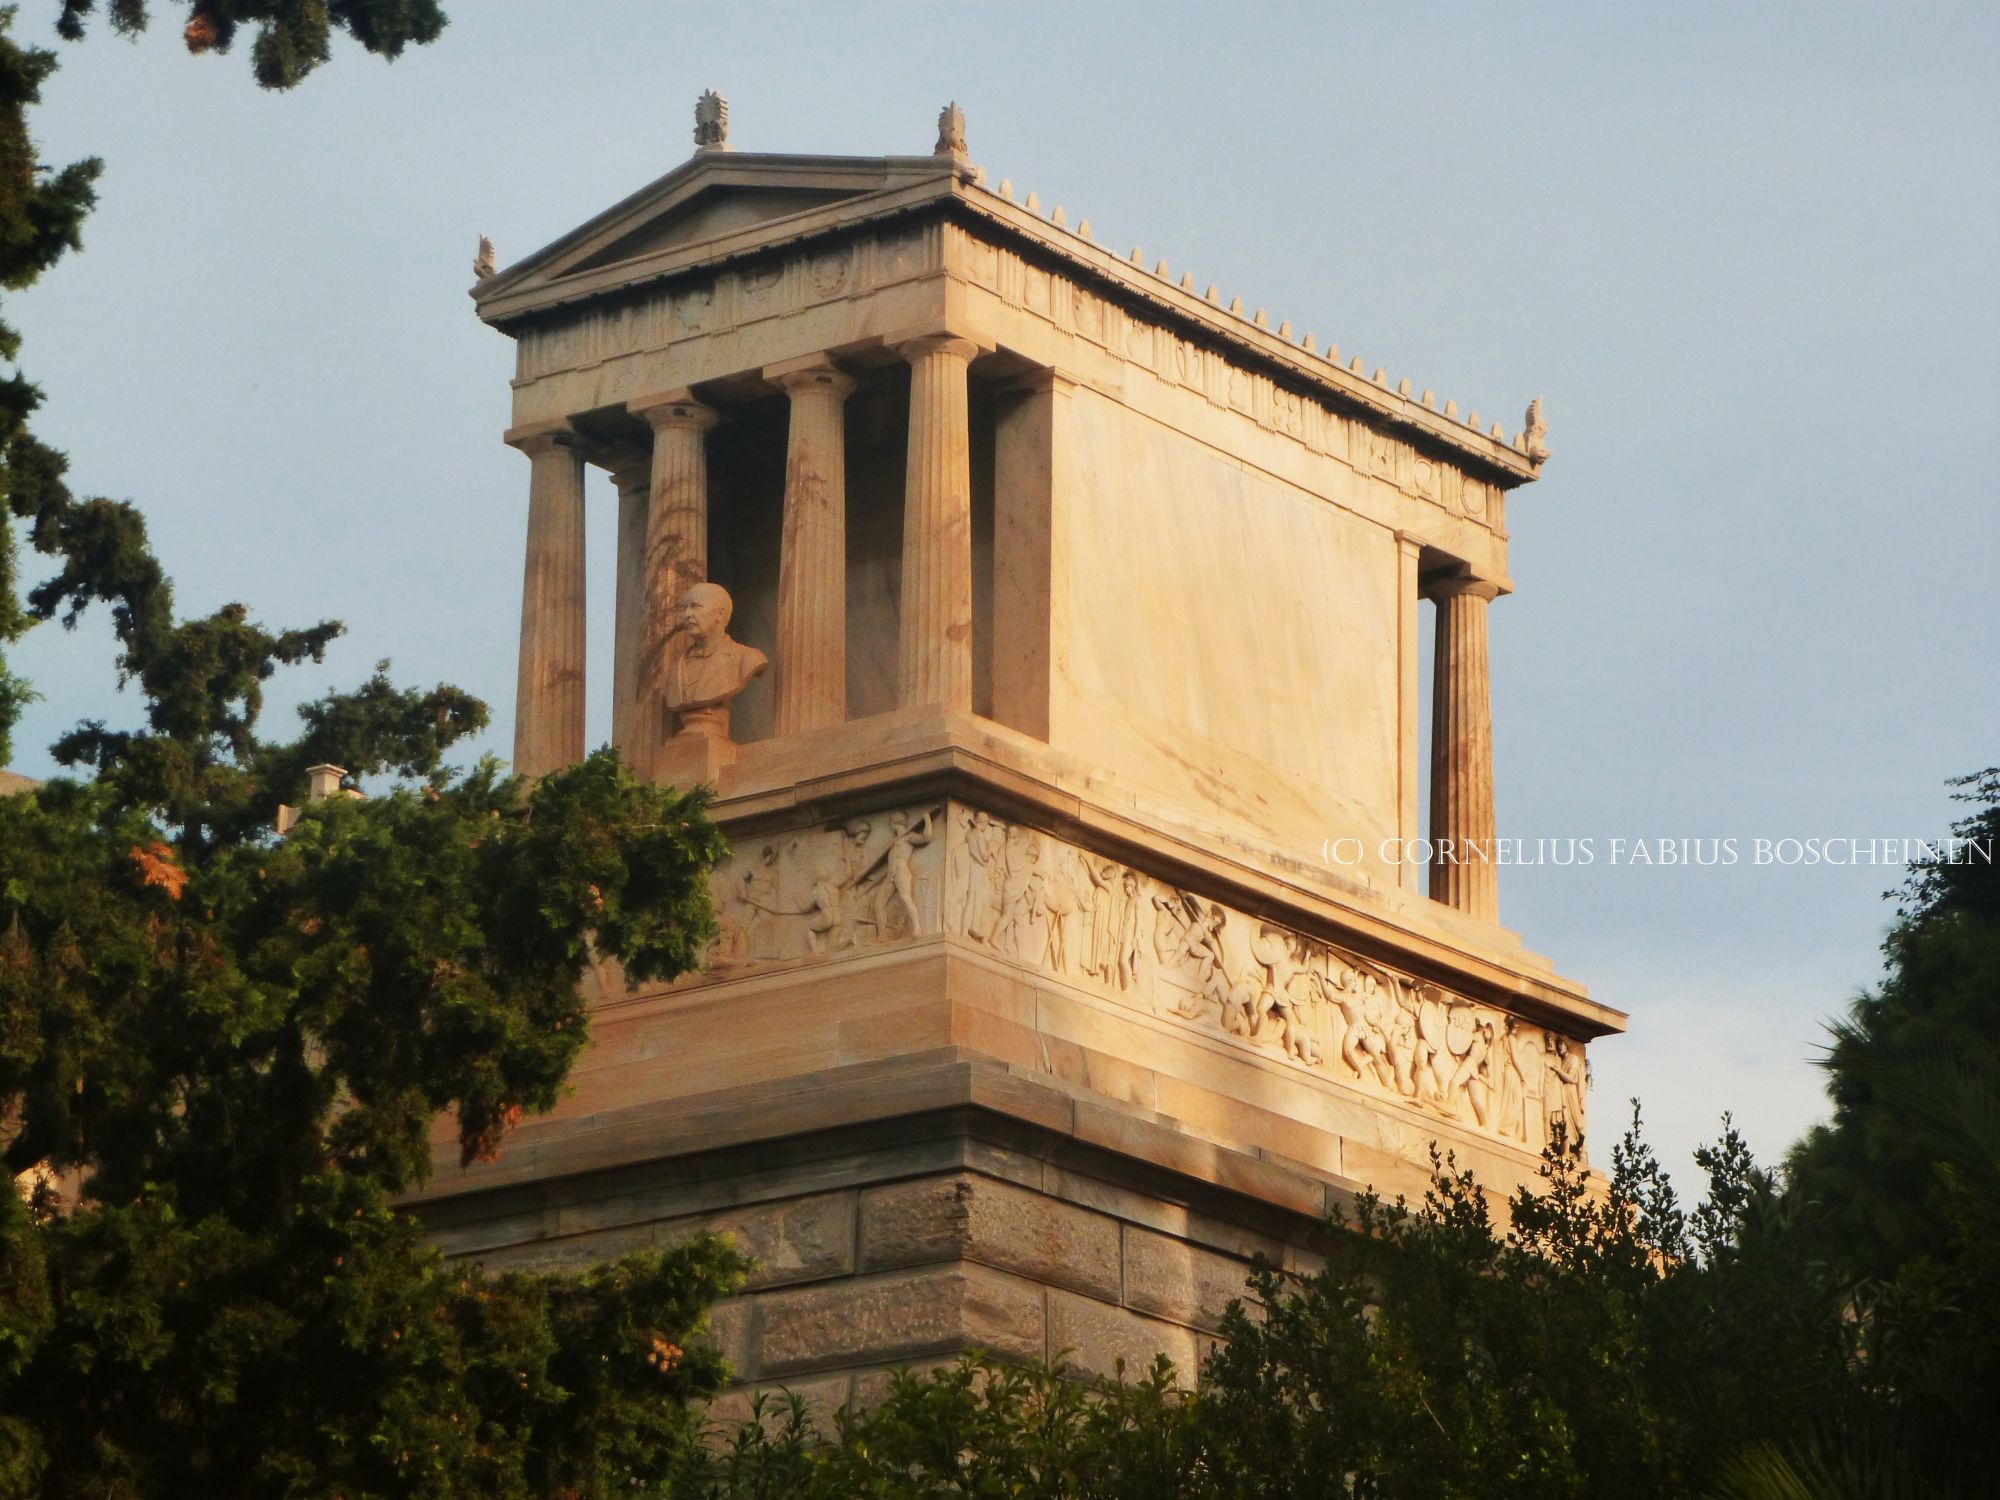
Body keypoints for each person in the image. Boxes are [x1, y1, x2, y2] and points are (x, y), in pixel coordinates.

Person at [661, 581, 766, 740]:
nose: (688, 614)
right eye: (685, 608)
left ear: (720, 614)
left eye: (696, 606)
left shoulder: (747, 658)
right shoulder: (676, 669)